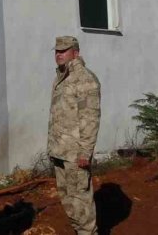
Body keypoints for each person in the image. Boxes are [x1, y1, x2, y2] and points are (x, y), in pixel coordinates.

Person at [48, 36, 101, 235]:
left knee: (80, 201)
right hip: (60, 151)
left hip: (75, 154)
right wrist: (52, 147)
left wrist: (85, 152)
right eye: (57, 51)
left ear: (76, 53)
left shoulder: (84, 79)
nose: (59, 54)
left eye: (64, 50)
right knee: (68, 201)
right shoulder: (61, 77)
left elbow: (90, 118)